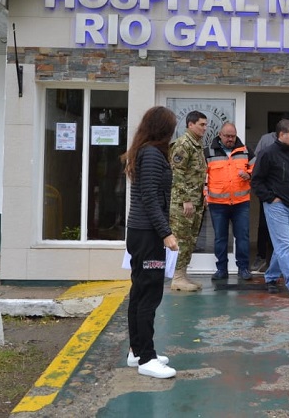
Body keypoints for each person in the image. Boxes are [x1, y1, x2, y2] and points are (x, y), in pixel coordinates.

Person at [121, 106, 179, 379]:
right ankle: (146, 358)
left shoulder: (144, 151)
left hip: (139, 231)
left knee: (139, 291)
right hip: (148, 234)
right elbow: (150, 198)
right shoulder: (153, 154)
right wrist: (166, 233)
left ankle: (137, 350)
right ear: (162, 129)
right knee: (149, 293)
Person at [250, 119, 289, 297]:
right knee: (284, 245)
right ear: (281, 135)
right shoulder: (267, 154)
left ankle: (271, 276)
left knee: (283, 245)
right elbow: (256, 180)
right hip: (277, 206)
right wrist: (270, 198)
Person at [204, 122, 255, 281]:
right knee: (220, 238)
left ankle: (243, 269)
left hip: (241, 202)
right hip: (217, 203)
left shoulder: (246, 151)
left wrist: (250, 175)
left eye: (233, 136)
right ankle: (221, 270)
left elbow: (257, 171)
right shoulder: (208, 152)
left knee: (242, 237)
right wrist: (205, 195)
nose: (230, 139)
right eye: (227, 136)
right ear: (220, 135)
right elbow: (201, 177)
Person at [169, 111, 208, 291]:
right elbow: (177, 174)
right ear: (190, 125)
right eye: (201, 124)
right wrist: (186, 200)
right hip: (183, 204)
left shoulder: (197, 146)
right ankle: (177, 277)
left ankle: (183, 275)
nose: (204, 128)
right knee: (182, 239)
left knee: (190, 240)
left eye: (206, 125)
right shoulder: (183, 144)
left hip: (196, 201)